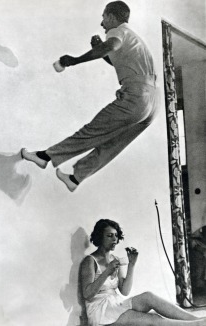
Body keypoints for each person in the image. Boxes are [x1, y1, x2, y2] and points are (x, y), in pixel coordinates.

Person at [21, 1, 159, 192]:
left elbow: (111, 44)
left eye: (104, 17)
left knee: (92, 131)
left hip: (137, 96)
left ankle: (45, 157)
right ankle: (76, 178)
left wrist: (74, 60)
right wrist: (102, 51)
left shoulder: (118, 31)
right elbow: (119, 60)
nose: (102, 23)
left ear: (112, 16)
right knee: (114, 143)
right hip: (152, 102)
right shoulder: (134, 37)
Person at [79, 219, 206, 326]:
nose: (115, 239)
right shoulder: (90, 261)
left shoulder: (114, 259)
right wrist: (107, 272)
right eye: (110, 235)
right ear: (99, 237)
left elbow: (125, 291)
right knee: (153, 319)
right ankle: (197, 325)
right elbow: (87, 294)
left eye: (116, 236)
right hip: (100, 311)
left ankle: (197, 321)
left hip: (115, 303)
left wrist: (132, 264)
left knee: (148, 296)